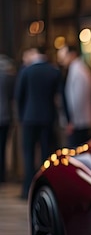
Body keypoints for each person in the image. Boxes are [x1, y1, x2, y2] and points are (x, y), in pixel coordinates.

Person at [14, 46, 61, 198]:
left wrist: (22, 117)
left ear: (34, 53)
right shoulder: (54, 71)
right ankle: (44, 188)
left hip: (29, 118)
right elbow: (60, 97)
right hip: (47, 118)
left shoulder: (26, 71)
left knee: (28, 154)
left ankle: (27, 188)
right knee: (45, 155)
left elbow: (18, 96)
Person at [57, 44, 91, 147]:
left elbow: (77, 99)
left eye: (64, 55)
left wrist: (71, 120)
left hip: (78, 122)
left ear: (72, 54)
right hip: (80, 120)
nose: (62, 59)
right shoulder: (79, 69)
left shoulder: (78, 71)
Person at [0, 54, 16, 183]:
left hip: (4, 115)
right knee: (3, 146)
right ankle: (2, 174)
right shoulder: (9, 78)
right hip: (5, 116)